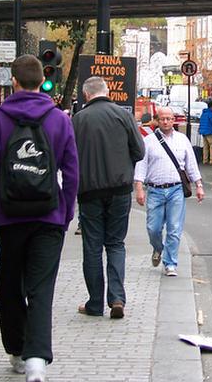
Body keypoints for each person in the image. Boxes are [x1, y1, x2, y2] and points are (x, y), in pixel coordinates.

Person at [0, 54, 79, 381]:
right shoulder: (59, 119)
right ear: (42, 81)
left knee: (8, 286)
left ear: (14, 82)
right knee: (41, 289)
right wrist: (64, 213)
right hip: (47, 217)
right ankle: (38, 359)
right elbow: (72, 173)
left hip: (7, 217)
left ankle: (17, 351)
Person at [72, 77, 145, 319]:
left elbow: (69, 157)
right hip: (120, 189)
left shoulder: (78, 120)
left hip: (89, 191)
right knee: (115, 244)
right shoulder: (123, 115)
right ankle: (116, 298)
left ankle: (95, 303)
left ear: (85, 95)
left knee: (92, 246)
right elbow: (139, 150)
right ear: (108, 91)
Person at [133, 107, 205, 277]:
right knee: (153, 228)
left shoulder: (182, 140)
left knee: (174, 228)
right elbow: (141, 165)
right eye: (162, 119)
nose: (166, 122)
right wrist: (139, 189)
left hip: (176, 190)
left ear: (174, 120)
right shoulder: (148, 141)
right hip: (155, 190)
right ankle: (158, 248)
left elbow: (191, 165)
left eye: (169, 119)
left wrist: (199, 185)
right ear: (157, 120)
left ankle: (170, 263)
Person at [198, 99, 212, 164]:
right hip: (210, 131)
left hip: (203, 132)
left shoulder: (204, 113)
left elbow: (201, 122)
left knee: (205, 146)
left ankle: (205, 160)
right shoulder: (211, 114)